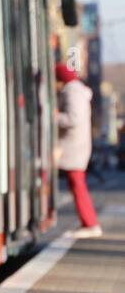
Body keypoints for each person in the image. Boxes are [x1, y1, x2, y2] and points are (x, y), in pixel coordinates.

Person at [55, 63, 102, 238]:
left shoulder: (71, 91)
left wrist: (54, 116)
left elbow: (73, 119)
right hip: (77, 145)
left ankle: (90, 224)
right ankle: (89, 223)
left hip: (72, 146)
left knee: (78, 185)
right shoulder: (78, 90)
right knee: (77, 185)